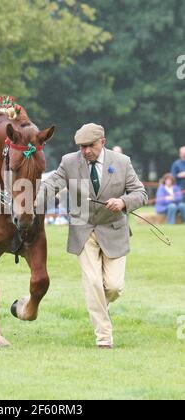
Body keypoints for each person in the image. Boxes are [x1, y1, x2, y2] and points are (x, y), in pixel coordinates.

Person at [42, 123, 148, 349]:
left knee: (113, 286)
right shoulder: (69, 162)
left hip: (114, 230)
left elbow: (140, 193)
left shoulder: (122, 163)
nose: (85, 151)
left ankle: (99, 305)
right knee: (92, 283)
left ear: (103, 142)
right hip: (83, 230)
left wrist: (123, 202)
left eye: (90, 145)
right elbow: (51, 184)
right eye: (81, 147)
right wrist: (30, 202)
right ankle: (104, 338)